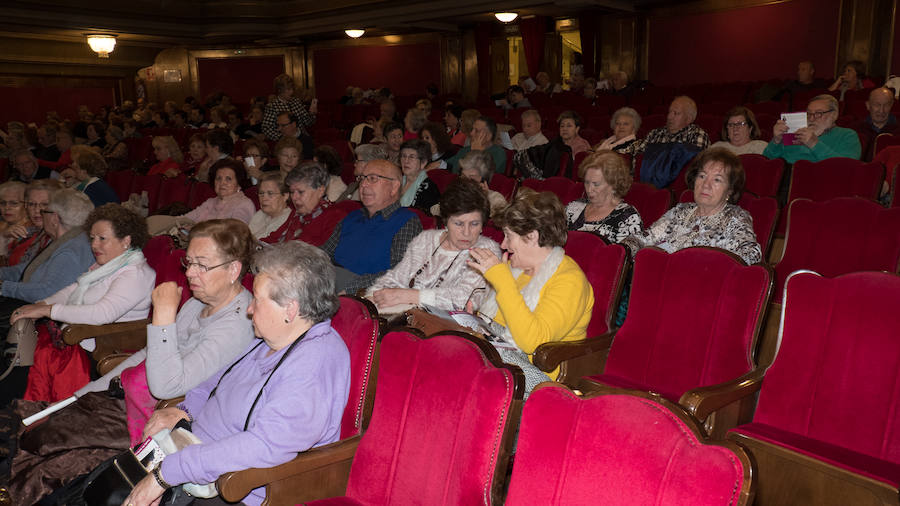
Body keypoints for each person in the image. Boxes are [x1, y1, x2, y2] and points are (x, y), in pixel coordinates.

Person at [4, 220, 257, 506]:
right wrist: (87, 391)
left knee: (50, 445)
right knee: (44, 423)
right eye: (189, 263)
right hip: (128, 397)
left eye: (202, 265)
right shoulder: (200, 302)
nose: (190, 274)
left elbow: (167, 388)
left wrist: (162, 314)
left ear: (234, 269)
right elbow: (150, 354)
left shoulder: (236, 325)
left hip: (158, 417)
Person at [121, 241, 349, 506]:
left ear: (291, 309)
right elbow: (220, 378)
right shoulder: (275, 336)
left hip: (233, 486)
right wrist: (187, 409)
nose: (249, 310)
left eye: (258, 300)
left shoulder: (313, 365)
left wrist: (167, 474)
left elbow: (263, 445)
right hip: (192, 454)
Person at [12, 204, 155, 403]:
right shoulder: (109, 264)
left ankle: (23, 410)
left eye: (102, 239)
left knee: (26, 362)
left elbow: (102, 314)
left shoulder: (135, 274)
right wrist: (41, 304)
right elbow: (73, 289)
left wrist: (48, 310)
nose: (95, 245)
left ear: (126, 241)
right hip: (81, 337)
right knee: (20, 351)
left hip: (103, 345)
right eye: (93, 238)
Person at [467, 189, 594, 388]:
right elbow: (497, 327)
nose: (503, 244)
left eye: (508, 236)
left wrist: (503, 282)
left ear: (532, 236)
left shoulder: (570, 280)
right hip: (502, 366)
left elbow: (532, 342)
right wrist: (473, 320)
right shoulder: (515, 268)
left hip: (536, 379)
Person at [0, 189, 93, 405]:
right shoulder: (64, 240)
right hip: (31, 304)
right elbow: (28, 270)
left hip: (42, 313)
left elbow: (46, 293)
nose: (41, 213)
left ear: (55, 217)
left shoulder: (71, 250)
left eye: (45, 210)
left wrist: (4, 287)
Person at [367, 178, 500, 313]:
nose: (466, 233)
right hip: (403, 314)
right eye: (458, 224)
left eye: (474, 224)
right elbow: (396, 277)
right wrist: (372, 297)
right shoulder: (425, 240)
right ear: (446, 221)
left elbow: (465, 299)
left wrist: (407, 296)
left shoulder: (487, 251)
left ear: (483, 225)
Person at [622, 147, 762, 265]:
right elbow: (645, 237)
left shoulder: (735, 218)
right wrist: (623, 250)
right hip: (660, 280)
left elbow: (750, 256)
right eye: (702, 176)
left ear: (730, 190)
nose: (706, 185)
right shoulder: (681, 211)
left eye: (717, 180)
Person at [321, 159, 422, 294]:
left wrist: (351, 289)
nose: (363, 184)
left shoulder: (407, 222)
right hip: (327, 281)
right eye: (362, 178)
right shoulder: (352, 217)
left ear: (394, 187)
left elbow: (400, 273)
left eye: (373, 179)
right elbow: (324, 253)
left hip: (363, 293)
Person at [566, 151, 643, 243]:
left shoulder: (628, 217)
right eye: (587, 182)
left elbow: (626, 255)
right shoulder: (573, 208)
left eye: (596, 184)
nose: (589, 189)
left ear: (613, 184)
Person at [634, 96, 710, 188]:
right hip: (645, 185)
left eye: (676, 113)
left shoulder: (697, 135)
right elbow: (637, 159)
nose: (669, 117)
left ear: (689, 119)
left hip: (676, 188)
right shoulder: (654, 133)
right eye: (669, 112)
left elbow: (695, 169)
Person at [265, 163, 348, 246]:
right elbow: (273, 238)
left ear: (320, 191)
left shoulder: (334, 218)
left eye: (300, 192)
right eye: (292, 192)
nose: (294, 197)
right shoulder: (297, 213)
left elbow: (320, 255)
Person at [764, 94, 862, 163]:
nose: (811, 118)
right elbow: (767, 161)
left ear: (834, 115)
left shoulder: (847, 135)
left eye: (818, 113)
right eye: (809, 114)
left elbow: (847, 168)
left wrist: (814, 144)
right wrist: (776, 141)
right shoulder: (796, 133)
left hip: (822, 183)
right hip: (788, 181)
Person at [262, 73, 317, 141]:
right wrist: (282, 138)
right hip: (285, 142)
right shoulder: (272, 106)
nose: (292, 91)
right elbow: (266, 129)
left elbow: (308, 123)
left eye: (292, 88)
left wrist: (312, 114)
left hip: (302, 139)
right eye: (288, 89)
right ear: (280, 90)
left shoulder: (296, 101)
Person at [853, 87, 898, 161]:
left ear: (892, 105)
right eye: (877, 105)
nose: (881, 110)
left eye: (886, 105)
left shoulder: (898, 130)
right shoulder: (855, 129)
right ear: (868, 105)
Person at [399, 139, 441, 211]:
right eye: (403, 156)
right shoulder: (395, 180)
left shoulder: (429, 189)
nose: (406, 161)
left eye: (411, 157)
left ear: (423, 163)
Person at [248, 173, 291, 240]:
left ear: (285, 196)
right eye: (261, 193)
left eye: (270, 193)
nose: (264, 198)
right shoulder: (260, 214)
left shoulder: (288, 220)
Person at [0, 182, 29, 259]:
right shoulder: (2, 225)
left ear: (27, 204)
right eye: (3, 203)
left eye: (14, 203)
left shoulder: (30, 230)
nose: (7, 207)